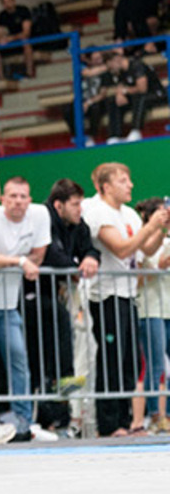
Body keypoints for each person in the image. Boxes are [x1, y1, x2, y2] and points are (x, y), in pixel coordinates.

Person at [82, 162, 167, 436]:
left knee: (130, 361)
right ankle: (109, 424)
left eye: (129, 179)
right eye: (123, 180)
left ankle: (126, 419)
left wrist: (161, 229)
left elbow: (145, 249)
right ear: (106, 186)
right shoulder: (95, 210)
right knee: (111, 359)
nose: (130, 185)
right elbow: (120, 249)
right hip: (105, 294)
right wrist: (150, 224)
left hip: (129, 294)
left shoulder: (129, 213)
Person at [0, 176, 50, 437]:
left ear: (30, 199)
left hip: (8, 305)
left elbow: (39, 255)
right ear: (3, 199)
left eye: (23, 196)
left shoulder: (39, 215)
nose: (18, 201)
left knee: (18, 359)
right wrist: (19, 262)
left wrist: (14, 261)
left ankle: (23, 421)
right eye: (12, 196)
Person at [23, 178, 100, 430]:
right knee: (38, 356)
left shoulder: (77, 223)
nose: (80, 209)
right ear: (59, 205)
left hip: (56, 298)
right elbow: (51, 255)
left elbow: (90, 247)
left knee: (61, 352)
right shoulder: (43, 217)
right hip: (30, 295)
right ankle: (40, 417)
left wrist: (90, 258)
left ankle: (62, 415)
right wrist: (74, 269)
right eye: (75, 204)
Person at [134, 198, 170, 433]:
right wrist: (158, 268)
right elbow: (137, 278)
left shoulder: (166, 240)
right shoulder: (139, 241)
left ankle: (166, 415)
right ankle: (154, 415)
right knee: (155, 365)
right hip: (150, 309)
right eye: (159, 213)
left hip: (168, 308)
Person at [104, 52, 167, 143]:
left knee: (140, 97)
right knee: (113, 100)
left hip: (156, 94)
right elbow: (120, 86)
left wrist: (125, 91)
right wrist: (119, 94)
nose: (111, 69)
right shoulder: (120, 72)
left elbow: (142, 89)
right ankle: (114, 136)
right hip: (136, 97)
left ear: (117, 60)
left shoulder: (136, 66)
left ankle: (136, 131)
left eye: (111, 66)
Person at [63, 50, 111, 146]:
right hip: (83, 100)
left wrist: (88, 102)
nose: (99, 61)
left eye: (100, 58)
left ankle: (92, 137)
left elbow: (102, 94)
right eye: (96, 59)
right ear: (90, 60)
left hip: (96, 101)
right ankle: (77, 136)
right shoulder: (83, 69)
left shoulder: (105, 74)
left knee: (95, 108)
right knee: (68, 109)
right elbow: (87, 73)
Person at [0, 0, 34, 80]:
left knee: (26, 42)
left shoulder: (23, 10)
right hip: (11, 42)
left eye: (9, 1)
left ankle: (29, 73)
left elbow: (26, 32)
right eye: (5, 2)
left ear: (14, 1)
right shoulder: (2, 15)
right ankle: (1, 78)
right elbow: (0, 31)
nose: (8, 4)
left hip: (21, 40)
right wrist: (1, 39)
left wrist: (11, 38)